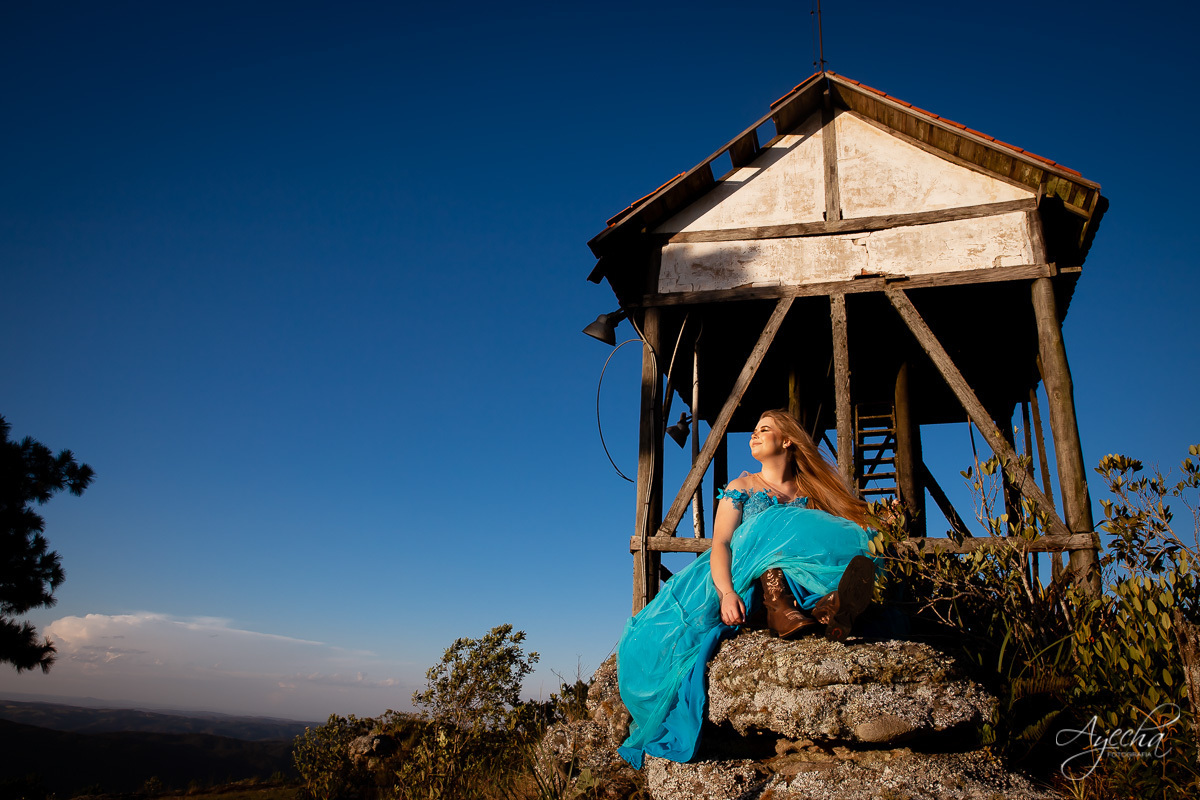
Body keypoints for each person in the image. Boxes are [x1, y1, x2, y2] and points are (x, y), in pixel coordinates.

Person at [616, 409, 879, 769]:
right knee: (770, 528)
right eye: (753, 430)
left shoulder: (810, 495)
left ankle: (825, 607)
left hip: (791, 577)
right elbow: (722, 543)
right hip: (740, 575)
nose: (753, 435)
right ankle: (793, 608)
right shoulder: (742, 488)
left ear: (787, 441)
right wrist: (725, 592)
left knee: (833, 542)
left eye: (764, 429)